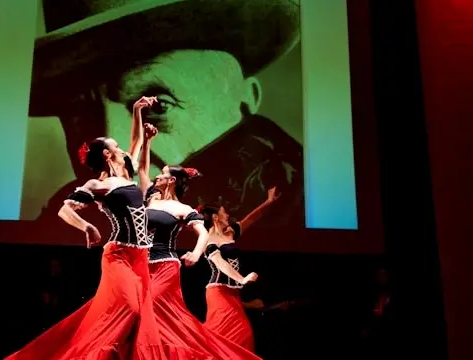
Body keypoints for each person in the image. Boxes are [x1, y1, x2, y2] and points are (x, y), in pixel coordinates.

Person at [31, 0, 303, 238]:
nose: (117, 151)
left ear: (244, 100)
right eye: (80, 115)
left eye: (159, 107)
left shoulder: (301, 203)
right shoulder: (66, 215)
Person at [5, 97, 169, 359]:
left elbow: (137, 143)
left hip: (142, 257)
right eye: (116, 145)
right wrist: (87, 226)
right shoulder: (97, 185)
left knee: (140, 321)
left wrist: (138, 109)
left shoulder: (126, 173)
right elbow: (64, 209)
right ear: (107, 153)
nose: (122, 147)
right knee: (130, 309)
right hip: (119, 256)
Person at [137, 123, 263, 359]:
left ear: (172, 180)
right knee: (141, 313)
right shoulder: (151, 199)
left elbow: (203, 234)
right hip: (141, 263)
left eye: (163, 173)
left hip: (165, 264)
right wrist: (148, 141)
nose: (158, 176)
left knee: (152, 308)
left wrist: (195, 253)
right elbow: (142, 170)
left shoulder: (182, 208)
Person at [199, 188, 280, 351]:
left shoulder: (230, 233)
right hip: (218, 292)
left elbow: (251, 218)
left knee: (243, 335)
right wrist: (242, 279)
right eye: (224, 213)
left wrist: (268, 202)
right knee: (221, 336)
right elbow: (221, 263)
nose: (227, 215)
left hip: (233, 294)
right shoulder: (208, 240)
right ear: (216, 217)